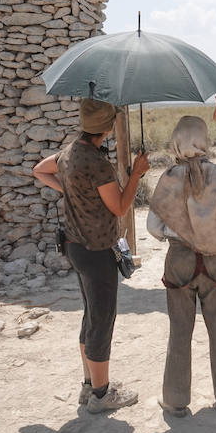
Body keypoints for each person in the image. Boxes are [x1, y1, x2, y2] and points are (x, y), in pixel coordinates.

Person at [33, 99, 149, 413]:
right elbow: (121, 208)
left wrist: (70, 192)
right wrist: (136, 174)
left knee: (90, 315)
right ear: (107, 127)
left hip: (75, 247)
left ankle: (88, 384)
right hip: (97, 251)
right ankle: (101, 395)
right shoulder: (97, 163)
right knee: (102, 321)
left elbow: (40, 170)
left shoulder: (70, 152)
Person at [147, 116, 216, 417]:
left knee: (179, 331)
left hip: (178, 260)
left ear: (177, 140)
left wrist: (172, 236)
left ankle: (176, 401)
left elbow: (153, 226)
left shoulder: (168, 177)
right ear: (203, 139)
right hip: (214, 259)